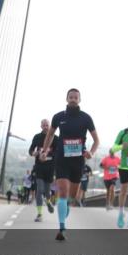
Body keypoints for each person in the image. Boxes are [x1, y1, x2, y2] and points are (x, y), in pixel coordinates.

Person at [41, 88, 99, 241]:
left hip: (78, 161)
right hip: (62, 159)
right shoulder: (58, 117)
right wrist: (45, 151)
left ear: (79, 100)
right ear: (66, 99)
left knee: (71, 196)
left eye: (75, 97)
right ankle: (62, 228)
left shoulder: (86, 118)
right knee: (63, 191)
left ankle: (65, 210)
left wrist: (91, 152)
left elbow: (96, 140)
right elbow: (50, 135)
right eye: (71, 97)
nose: (73, 99)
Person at [29, 118, 57, 222]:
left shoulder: (55, 138)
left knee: (47, 191)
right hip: (39, 166)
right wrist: (35, 153)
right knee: (39, 190)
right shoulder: (37, 137)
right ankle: (39, 214)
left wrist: (49, 154)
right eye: (44, 125)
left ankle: (48, 201)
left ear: (50, 126)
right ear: (41, 126)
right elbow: (31, 150)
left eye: (47, 125)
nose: (45, 127)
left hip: (50, 167)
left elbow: (58, 152)